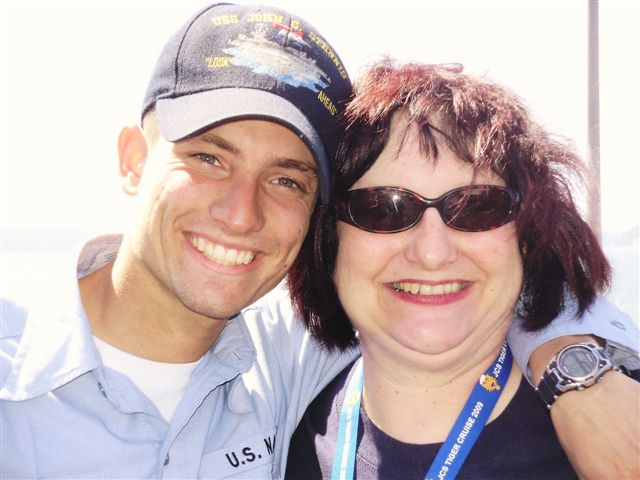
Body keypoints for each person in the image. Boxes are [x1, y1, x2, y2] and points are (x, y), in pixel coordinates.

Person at [0, 3, 637, 479]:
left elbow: (465, 297)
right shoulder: (289, 372)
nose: (240, 212)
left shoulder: (283, 360)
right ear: (134, 161)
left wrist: (576, 364)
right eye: (209, 158)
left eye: (286, 179)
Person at [285, 60, 640, 479]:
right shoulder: (278, 430)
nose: (432, 252)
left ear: (526, 237)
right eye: (384, 208)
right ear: (328, 240)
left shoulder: (622, 435)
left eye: (477, 206)